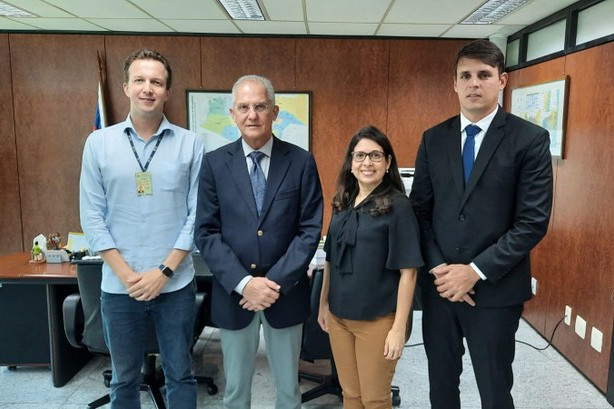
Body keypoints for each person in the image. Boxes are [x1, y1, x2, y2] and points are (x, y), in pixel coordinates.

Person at [410, 39, 553, 409]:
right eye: (466, 75)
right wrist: (441, 268)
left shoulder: (530, 139)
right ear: (454, 83)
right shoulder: (433, 139)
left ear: (502, 80)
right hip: (440, 289)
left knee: (494, 390)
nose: (474, 83)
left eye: (484, 75)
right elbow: (420, 212)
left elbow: (532, 222)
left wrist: (474, 271)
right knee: (440, 387)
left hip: (495, 291)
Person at [79, 49, 204, 408]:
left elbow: (196, 216)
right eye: (140, 80)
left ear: (167, 92)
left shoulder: (190, 144)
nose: (148, 88)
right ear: (126, 88)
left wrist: (163, 272)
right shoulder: (98, 144)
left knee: (181, 374)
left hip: (175, 285)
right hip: (120, 288)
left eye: (157, 82)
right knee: (124, 379)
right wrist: (128, 276)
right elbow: (92, 215)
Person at [194, 74, 323, 409]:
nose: (253, 114)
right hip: (236, 296)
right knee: (235, 391)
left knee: (288, 391)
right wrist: (245, 283)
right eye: (244, 107)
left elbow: (309, 229)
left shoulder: (301, 161)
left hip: (286, 295)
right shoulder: (214, 164)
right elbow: (206, 232)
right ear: (233, 113)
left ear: (275, 112)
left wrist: (272, 283)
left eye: (261, 106)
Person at [317, 125, 423, 409]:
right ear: (350, 163)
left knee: (375, 399)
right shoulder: (343, 202)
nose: (367, 163)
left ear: (388, 163)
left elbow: (409, 271)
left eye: (375, 156)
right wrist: (323, 303)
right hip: (339, 317)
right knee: (350, 394)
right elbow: (329, 258)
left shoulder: (398, 207)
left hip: (378, 320)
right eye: (360, 156)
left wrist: (399, 328)